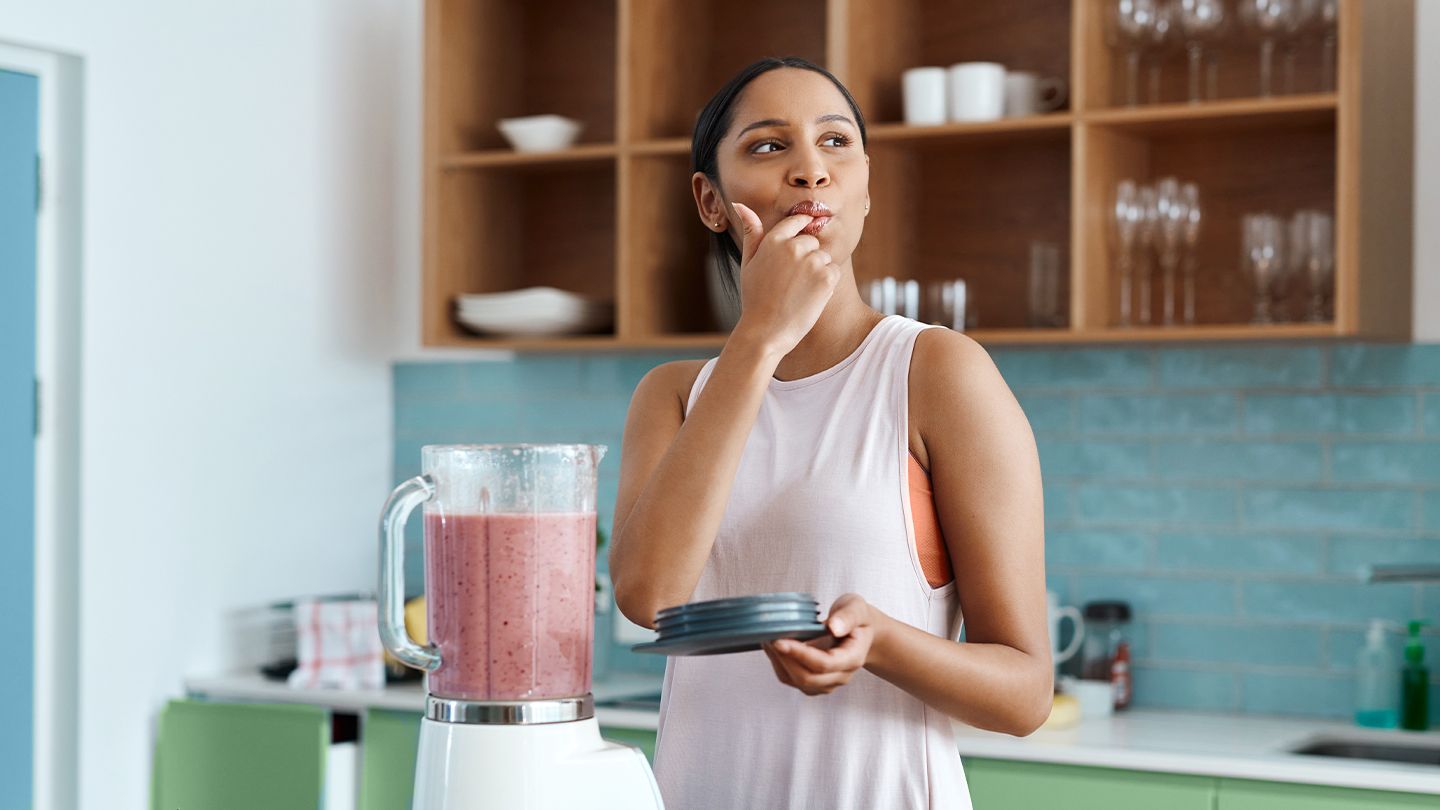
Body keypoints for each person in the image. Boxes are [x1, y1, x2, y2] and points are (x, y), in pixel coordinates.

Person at [608, 56, 1051, 809]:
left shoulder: (937, 372)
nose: (811, 172)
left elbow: (1025, 694)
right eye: (769, 146)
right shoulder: (674, 395)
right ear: (711, 202)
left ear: (867, 187)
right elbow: (648, 596)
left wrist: (881, 643)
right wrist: (758, 340)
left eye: (836, 143)